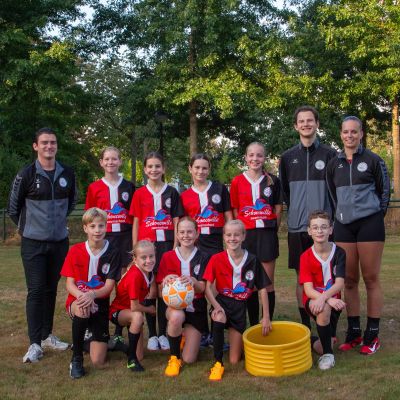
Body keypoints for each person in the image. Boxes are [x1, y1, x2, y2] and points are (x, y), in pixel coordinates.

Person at [7, 127, 77, 363]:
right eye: (44, 142)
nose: (49, 146)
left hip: (59, 243)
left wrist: (56, 227)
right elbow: (13, 208)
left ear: (57, 146)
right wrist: (30, 229)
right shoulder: (26, 174)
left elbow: (71, 203)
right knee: (36, 290)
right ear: (36, 146)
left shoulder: (67, 173)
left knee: (50, 289)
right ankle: (34, 343)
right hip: (33, 244)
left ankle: (47, 336)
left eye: (53, 142)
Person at [326, 116, 390, 355]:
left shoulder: (373, 160)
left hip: (370, 225)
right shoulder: (334, 163)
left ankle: (372, 335)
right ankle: (354, 332)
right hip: (343, 226)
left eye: (354, 131)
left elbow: (384, 192)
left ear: (361, 133)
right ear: (341, 134)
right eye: (346, 132)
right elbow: (332, 195)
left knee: (371, 278)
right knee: (349, 280)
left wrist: (374, 216)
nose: (350, 135)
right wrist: (341, 216)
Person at [279, 106, 337, 331]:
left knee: (328, 276)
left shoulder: (330, 155)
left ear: (317, 124)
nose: (306, 124)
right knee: (302, 279)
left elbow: (335, 190)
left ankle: (328, 325)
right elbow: (285, 191)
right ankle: (306, 327)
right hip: (297, 227)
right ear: (296, 126)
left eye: (310, 120)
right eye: (301, 121)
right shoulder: (287, 158)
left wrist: (331, 220)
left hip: (323, 228)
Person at [203, 220, 272, 381]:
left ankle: (235, 345)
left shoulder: (252, 260)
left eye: (236, 235)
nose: (232, 238)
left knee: (235, 360)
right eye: (228, 235)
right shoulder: (216, 258)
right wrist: (216, 306)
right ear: (224, 237)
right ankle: (218, 363)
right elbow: (207, 288)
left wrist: (266, 316)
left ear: (243, 236)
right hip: (222, 302)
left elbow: (262, 289)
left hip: (240, 307)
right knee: (219, 318)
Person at [129, 151, 184, 351]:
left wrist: (175, 245)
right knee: (149, 290)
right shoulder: (139, 193)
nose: (154, 170)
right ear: (145, 169)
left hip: (167, 245)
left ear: (163, 168)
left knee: (164, 289)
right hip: (146, 248)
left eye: (157, 166)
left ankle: (163, 333)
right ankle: (152, 334)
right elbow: (136, 222)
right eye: (150, 166)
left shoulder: (172, 192)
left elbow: (176, 220)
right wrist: (135, 249)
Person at [60, 208, 122, 379]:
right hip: (78, 300)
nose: (97, 230)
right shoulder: (75, 250)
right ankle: (76, 359)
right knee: (83, 309)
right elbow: (69, 284)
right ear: (85, 228)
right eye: (93, 226)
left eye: (101, 226)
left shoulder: (113, 252)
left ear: (106, 227)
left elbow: (109, 287)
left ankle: (86, 337)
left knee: (98, 360)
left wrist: (92, 295)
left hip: (100, 304)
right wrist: (84, 297)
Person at [85, 146, 135, 350]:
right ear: (101, 162)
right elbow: (89, 217)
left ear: (120, 161)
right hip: (104, 242)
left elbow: (134, 216)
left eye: (114, 159)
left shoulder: (129, 186)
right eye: (107, 159)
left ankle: (119, 333)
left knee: (122, 287)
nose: (111, 162)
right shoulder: (94, 187)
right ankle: (98, 330)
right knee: (102, 285)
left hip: (124, 241)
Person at [180, 153, 232, 346]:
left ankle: (218, 332)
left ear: (209, 169)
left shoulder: (219, 189)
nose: (200, 171)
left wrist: (229, 242)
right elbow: (184, 223)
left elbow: (228, 216)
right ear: (190, 169)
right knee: (200, 290)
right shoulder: (185, 196)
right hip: (197, 247)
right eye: (197, 167)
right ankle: (203, 332)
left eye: (204, 168)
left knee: (217, 290)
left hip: (216, 245)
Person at [230, 142, 282, 323]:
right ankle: (253, 324)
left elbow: (278, 207)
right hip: (247, 237)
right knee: (250, 283)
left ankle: (267, 320)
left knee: (267, 282)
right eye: (251, 155)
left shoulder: (273, 181)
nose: (255, 159)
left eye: (259, 155)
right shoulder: (237, 181)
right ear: (246, 158)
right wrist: (239, 232)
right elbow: (235, 209)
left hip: (266, 235)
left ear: (264, 157)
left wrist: (273, 227)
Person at [156, 217, 210, 377]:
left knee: (190, 359)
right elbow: (159, 292)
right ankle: (174, 358)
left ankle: (183, 336)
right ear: (177, 235)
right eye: (182, 232)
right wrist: (165, 283)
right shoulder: (167, 256)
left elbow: (204, 288)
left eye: (190, 232)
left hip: (196, 310)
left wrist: (194, 281)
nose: (186, 235)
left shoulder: (204, 257)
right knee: (177, 316)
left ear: (197, 234)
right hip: (174, 309)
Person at [299, 210, 346, 370]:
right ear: (309, 231)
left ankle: (310, 340)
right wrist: (327, 299)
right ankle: (328, 355)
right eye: (315, 227)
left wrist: (327, 298)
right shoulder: (305, 256)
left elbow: (339, 283)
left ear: (330, 230)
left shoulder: (339, 252)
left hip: (333, 299)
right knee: (324, 309)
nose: (319, 231)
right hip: (313, 299)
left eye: (324, 227)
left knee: (324, 343)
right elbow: (308, 289)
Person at [109, 240, 157, 372]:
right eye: (143, 257)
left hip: (130, 311)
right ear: (135, 259)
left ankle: (118, 345)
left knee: (140, 355)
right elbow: (135, 306)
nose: (148, 260)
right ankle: (131, 360)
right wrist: (150, 309)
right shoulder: (135, 275)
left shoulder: (148, 271)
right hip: (117, 312)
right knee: (138, 316)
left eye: (151, 256)